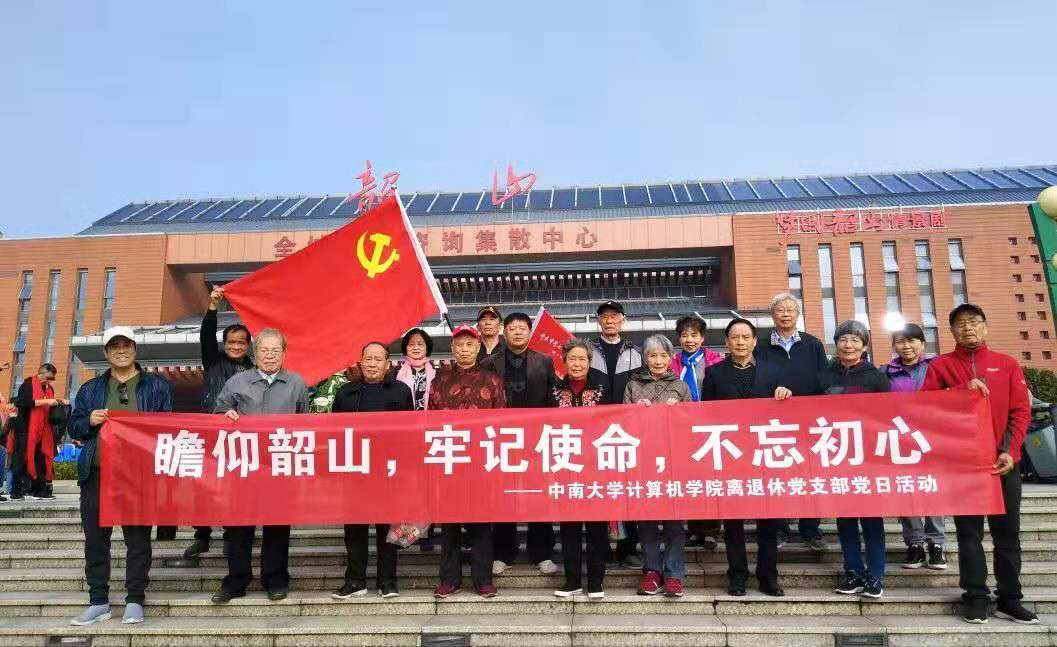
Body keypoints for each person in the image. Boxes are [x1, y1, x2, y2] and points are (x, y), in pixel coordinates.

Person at [921, 303, 1037, 625]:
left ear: (985, 326)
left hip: (1003, 464)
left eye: (974, 321)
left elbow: (1020, 411)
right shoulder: (941, 366)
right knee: (968, 534)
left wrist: (1010, 451)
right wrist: (960, 390)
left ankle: (1010, 598)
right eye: (960, 323)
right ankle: (975, 596)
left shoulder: (1007, 364)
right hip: (963, 467)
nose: (968, 328)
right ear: (952, 331)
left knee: (1007, 534)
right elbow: (927, 407)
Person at [68, 327, 174, 625]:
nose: (121, 350)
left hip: (138, 475)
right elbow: (73, 426)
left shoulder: (157, 386)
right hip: (98, 474)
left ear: (135, 349)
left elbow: (169, 427)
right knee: (95, 540)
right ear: (106, 353)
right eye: (114, 346)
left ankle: (135, 599)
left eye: (126, 345)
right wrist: (89, 420)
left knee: (138, 540)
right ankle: (98, 601)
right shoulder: (91, 389)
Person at [210, 328, 309, 605]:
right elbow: (217, 416)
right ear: (255, 353)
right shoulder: (237, 382)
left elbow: (304, 422)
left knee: (277, 526)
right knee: (239, 527)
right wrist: (225, 415)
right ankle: (236, 581)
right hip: (243, 466)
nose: (270, 355)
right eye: (264, 350)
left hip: (279, 465)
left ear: (284, 354)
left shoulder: (296, 383)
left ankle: (275, 579)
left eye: (276, 350)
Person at [702, 318, 791, 597]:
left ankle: (768, 576)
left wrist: (787, 394)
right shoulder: (715, 373)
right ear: (726, 342)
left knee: (768, 520)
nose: (740, 342)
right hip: (731, 455)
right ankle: (737, 575)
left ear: (754, 341)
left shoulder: (774, 372)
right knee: (733, 522)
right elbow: (706, 415)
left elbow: (789, 413)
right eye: (734, 337)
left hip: (765, 454)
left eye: (745, 337)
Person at [331, 342, 413, 599]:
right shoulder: (346, 393)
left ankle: (387, 581)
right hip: (355, 470)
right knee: (354, 529)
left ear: (387, 364)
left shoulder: (401, 391)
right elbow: (334, 433)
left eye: (378, 359)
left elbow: (409, 433)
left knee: (387, 529)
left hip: (388, 472)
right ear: (361, 361)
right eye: (368, 358)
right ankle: (355, 581)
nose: (372, 363)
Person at [429, 324, 506, 599]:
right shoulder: (439, 382)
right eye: (459, 344)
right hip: (449, 460)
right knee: (449, 524)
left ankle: (482, 579)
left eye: (469, 344)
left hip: (481, 462)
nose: (464, 349)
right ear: (452, 348)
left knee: (481, 524)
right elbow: (430, 423)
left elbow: (502, 422)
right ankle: (450, 579)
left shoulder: (492, 381)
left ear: (478, 347)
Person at [481, 312, 559, 576]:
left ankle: (542, 552)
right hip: (503, 439)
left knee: (539, 495)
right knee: (503, 496)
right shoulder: (489, 363)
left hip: (537, 439)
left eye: (522, 328)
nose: (517, 332)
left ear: (529, 332)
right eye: (512, 328)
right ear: (504, 332)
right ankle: (503, 553)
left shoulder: (544, 361)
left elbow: (553, 399)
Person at [754, 293, 828, 551]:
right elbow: (757, 379)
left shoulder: (813, 344)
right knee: (776, 474)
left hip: (808, 422)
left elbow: (824, 380)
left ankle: (811, 529)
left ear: (798, 314)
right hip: (774, 423)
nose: (785, 314)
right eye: (780, 310)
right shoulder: (761, 346)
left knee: (809, 473)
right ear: (772, 315)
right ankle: (779, 529)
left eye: (790, 310)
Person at [821, 320, 890, 600]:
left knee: (872, 521)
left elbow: (887, 417)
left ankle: (875, 576)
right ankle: (853, 571)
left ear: (864, 345)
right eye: (843, 339)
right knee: (846, 520)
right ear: (836, 343)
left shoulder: (876, 377)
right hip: (837, 457)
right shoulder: (825, 376)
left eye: (855, 340)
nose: (848, 345)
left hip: (868, 459)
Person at [184, 286, 253, 560]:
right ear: (224, 344)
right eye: (231, 342)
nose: (236, 346)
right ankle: (201, 536)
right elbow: (206, 335)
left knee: (236, 487)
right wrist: (213, 306)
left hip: (241, 437)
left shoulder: (254, 370)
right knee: (204, 487)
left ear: (248, 345)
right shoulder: (212, 361)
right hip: (211, 433)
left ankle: (231, 535)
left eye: (241, 342)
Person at [625, 334, 691, 598]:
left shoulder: (681, 386)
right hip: (643, 461)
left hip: (673, 460)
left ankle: (674, 573)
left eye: (663, 355)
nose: (658, 360)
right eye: (652, 355)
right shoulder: (633, 385)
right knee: (646, 520)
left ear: (671, 357)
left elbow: (692, 422)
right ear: (645, 359)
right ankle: (652, 571)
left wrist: (679, 410)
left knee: (675, 521)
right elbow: (623, 422)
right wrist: (636, 410)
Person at [884, 323, 946, 571]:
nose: (906, 346)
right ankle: (915, 544)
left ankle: (936, 543)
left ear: (922, 344)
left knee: (931, 490)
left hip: (931, 439)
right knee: (906, 491)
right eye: (900, 341)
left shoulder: (936, 367)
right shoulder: (886, 372)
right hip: (900, 441)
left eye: (911, 341)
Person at [550, 338, 608, 599]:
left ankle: (596, 582)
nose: (577, 364)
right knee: (569, 528)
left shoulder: (603, 386)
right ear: (564, 362)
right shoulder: (554, 389)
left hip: (597, 467)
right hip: (566, 467)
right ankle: (572, 580)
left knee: (597, 529)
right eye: (572, 359)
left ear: (589, 361)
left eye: (582, 359)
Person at [589, 300, 643, 569]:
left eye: (614, 316)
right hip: (594, 429)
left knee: (628, 489)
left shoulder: (636, 352)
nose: (609, 320)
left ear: (623, 320)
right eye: (605, 316)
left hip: (628, 430)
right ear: (598, 321)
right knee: (598, 488)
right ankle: (600, 547)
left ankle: (628, 548)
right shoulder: (587, 350)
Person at [671, 315, 725, 550]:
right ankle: (694, 529)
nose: (689, 340)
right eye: (684, 335)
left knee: (710, 477)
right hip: (683, 428)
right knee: (690, 478)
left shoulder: (715, 360)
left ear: (702, 338)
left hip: (710, 425)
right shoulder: (673, 363)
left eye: (694, 335)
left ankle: (711, 530)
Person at [11, 363, 66, 500]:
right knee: (22, 459)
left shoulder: (49, 388)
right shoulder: (27, 385)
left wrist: (58, 402)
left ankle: (38, 490)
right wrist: (45, 402)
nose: (50, 381)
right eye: (49, 378)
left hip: (43, 429)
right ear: (41, 373)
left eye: (52, 379)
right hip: (25, 428)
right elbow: (21, 402)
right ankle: (16, 490)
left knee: (41, 459)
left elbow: (49, 405)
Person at [395, 328, 435, 411]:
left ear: (427, 347)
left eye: (420, 344)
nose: (415, 348)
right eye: (411, 344)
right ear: (405, 348)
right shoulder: (396, 372)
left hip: (431, 417)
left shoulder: (436, 372)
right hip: (404, 416)